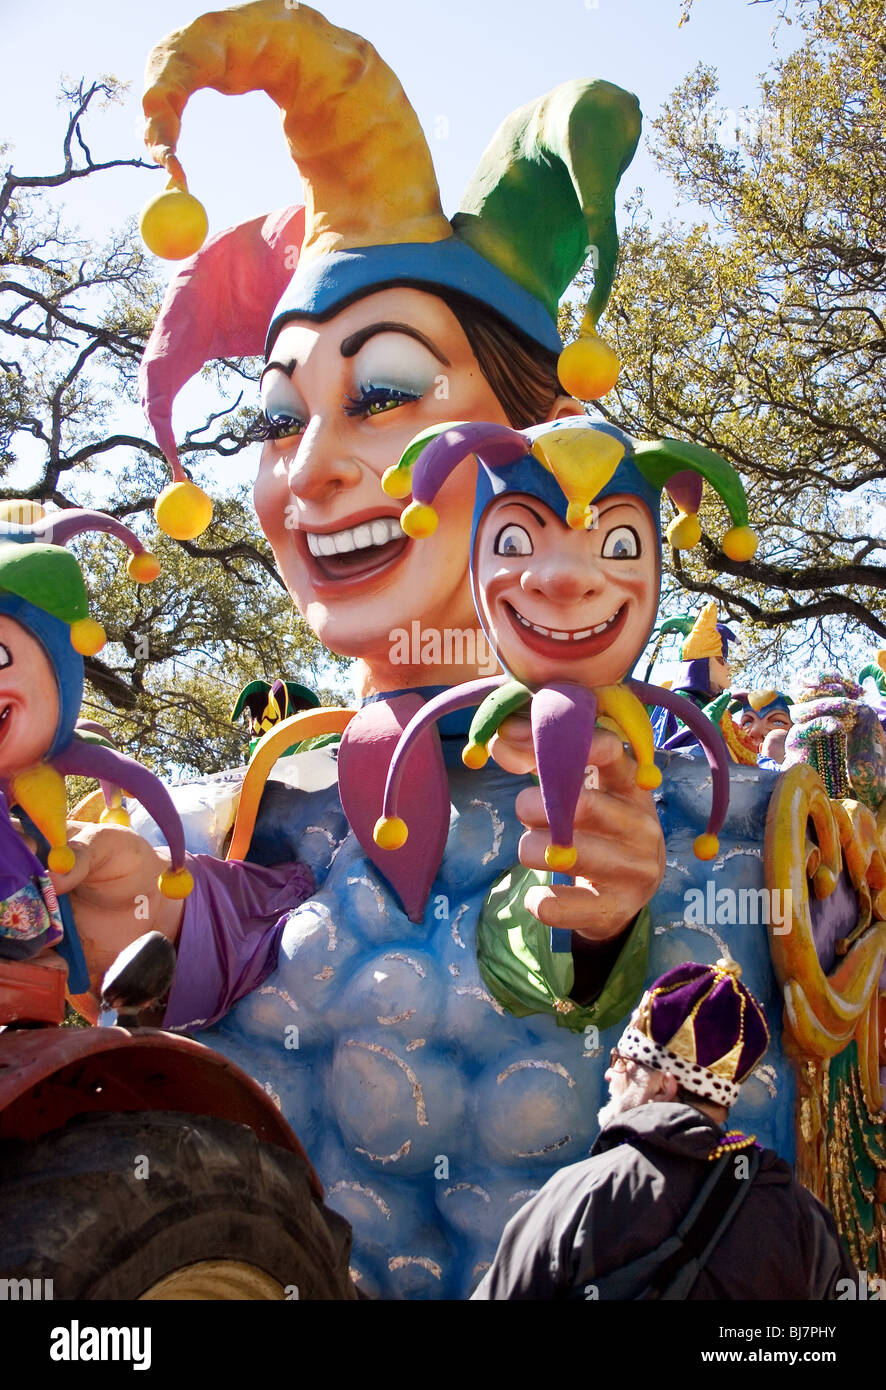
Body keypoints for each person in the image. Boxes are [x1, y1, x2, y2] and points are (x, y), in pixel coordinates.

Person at [472, 958, 857, 1300]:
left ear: (663, 1084)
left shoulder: (580, 1192)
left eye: (621, 1061)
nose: (609, 1073)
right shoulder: (800, 1216)